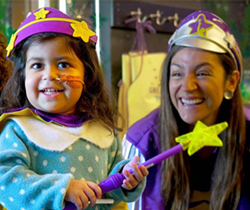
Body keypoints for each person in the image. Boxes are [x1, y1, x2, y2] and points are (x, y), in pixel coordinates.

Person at [0, 7, 148, 210]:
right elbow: (5, 182)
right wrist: (62, 189)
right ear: (23, 75)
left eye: (63, 64)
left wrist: (126, 177)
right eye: (37, 65)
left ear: (87, 74)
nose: (50, 75)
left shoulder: (102, 130)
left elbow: (110, 192)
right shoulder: (18, 129)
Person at [123, 10, 250, 210]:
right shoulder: (142, 142)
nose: (188, 86)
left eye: (202, 73)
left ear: (231, 81)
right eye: (177, 73)